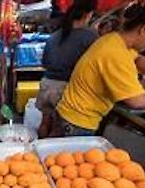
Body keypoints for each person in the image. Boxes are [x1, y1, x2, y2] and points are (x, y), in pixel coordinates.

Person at [54, 1, 145, 137]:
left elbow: (138, 59)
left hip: (70, 115)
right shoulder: (115, 53)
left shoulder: (116, 41)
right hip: (77, 122)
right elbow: (136, 100)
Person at [36, 0, 99, 138]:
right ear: (88, 15)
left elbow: (45, 62)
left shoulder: (55, 36)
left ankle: (37, 152)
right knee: (57, 129)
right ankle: (49, 156)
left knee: (45, 123)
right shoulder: (91, 36)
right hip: (66, 87)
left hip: (47, 84)